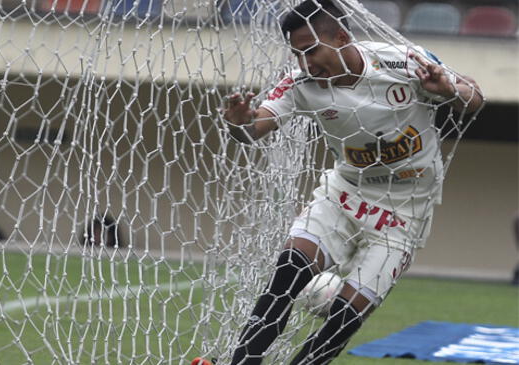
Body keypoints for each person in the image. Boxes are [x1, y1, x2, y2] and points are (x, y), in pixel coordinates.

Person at [193, 1, 483, 364]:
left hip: (404, 214)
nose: (305, 63)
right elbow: (253, 129)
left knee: (343, 321)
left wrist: (449, 89)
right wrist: (238, 122)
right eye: (298, 54)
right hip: (345, 195)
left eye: (311, 50)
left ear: (342, 37)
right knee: (289, 272)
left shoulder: (403, 62)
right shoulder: (301, 85)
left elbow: (474, 97)